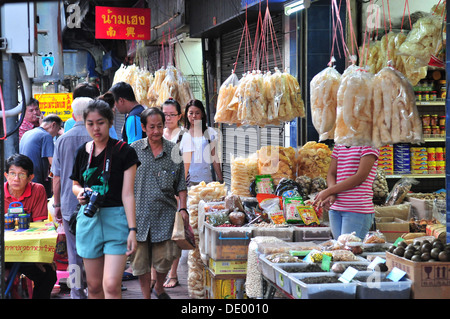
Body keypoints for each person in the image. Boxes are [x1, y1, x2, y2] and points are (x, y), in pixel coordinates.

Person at [70, 99, 139, 299]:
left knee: (110, 285)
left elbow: (128, 194)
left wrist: (132, 230)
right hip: (88, 219)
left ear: (110, 122)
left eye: (100, 122)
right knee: (93, 286)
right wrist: (80, 193)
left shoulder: (125, 151)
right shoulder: (82, 152)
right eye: (90, 123)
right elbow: (75, 184)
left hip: (116, 220)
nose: (95, 128)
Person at [130, 107, 188, 299]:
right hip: (139, 215)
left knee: (165, 258)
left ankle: (159, 287)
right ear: (144, 127)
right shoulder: (133, 150)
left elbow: (181, 184)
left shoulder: (174, 150)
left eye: (160, 126)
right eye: (152, 127)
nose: (156, 131)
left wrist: (183, 208)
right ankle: (146, 295)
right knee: (140, 262)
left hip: (165, 214)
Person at [51, 97, 93, 299]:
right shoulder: (98, 136)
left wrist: (57, 203)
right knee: (96, 249)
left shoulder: (62, 139)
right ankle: (96, 288)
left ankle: (77, 292)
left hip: (69, 203)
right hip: (97, 202)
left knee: (74, 253)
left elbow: (57, 177)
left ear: (73, 113)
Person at [4, 154, 57, 299]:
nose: (16, 179)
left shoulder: (38, 190)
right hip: (4, 253)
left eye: (21, 175)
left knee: (48, 274)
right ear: (5, 175)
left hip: (27, 252)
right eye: (12, 174)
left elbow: (40, 227)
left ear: (30, 177)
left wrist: (39, 256)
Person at [313, 144, 379, 240]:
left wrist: (328, 191)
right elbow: (331, 173)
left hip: (357, 209)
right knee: (339, 250)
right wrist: (332, 194)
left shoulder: (369, 143)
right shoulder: (340, 143)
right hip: (335, 208)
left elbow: (360, 177)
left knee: (349, 251)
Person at [161, 98, 185, 289]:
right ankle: (157, 275)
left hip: (176, 191)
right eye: (165, 114)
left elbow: (185, 167)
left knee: (176, 234)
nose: (168, 118)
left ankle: (173, 273)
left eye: (172, 114)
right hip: (158, 191)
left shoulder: (184, 136)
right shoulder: (157, 133)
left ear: (179, 116)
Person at [179, 99, 223, 185]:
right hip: (187, 182)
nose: (194, 116)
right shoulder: (181, 134)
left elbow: (214, 157)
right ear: (187, 115)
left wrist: (221, 179)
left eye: (197, 113)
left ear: (202, 114)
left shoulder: (210, 132)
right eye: (191, 113)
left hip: (206, 181)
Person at [19, 114, 63, 198]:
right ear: (53, 125)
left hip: (24, 178)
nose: (57, 132)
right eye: (58, 129)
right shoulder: (46, 136)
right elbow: (53, 163)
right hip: (36, 180)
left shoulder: (27, 133)